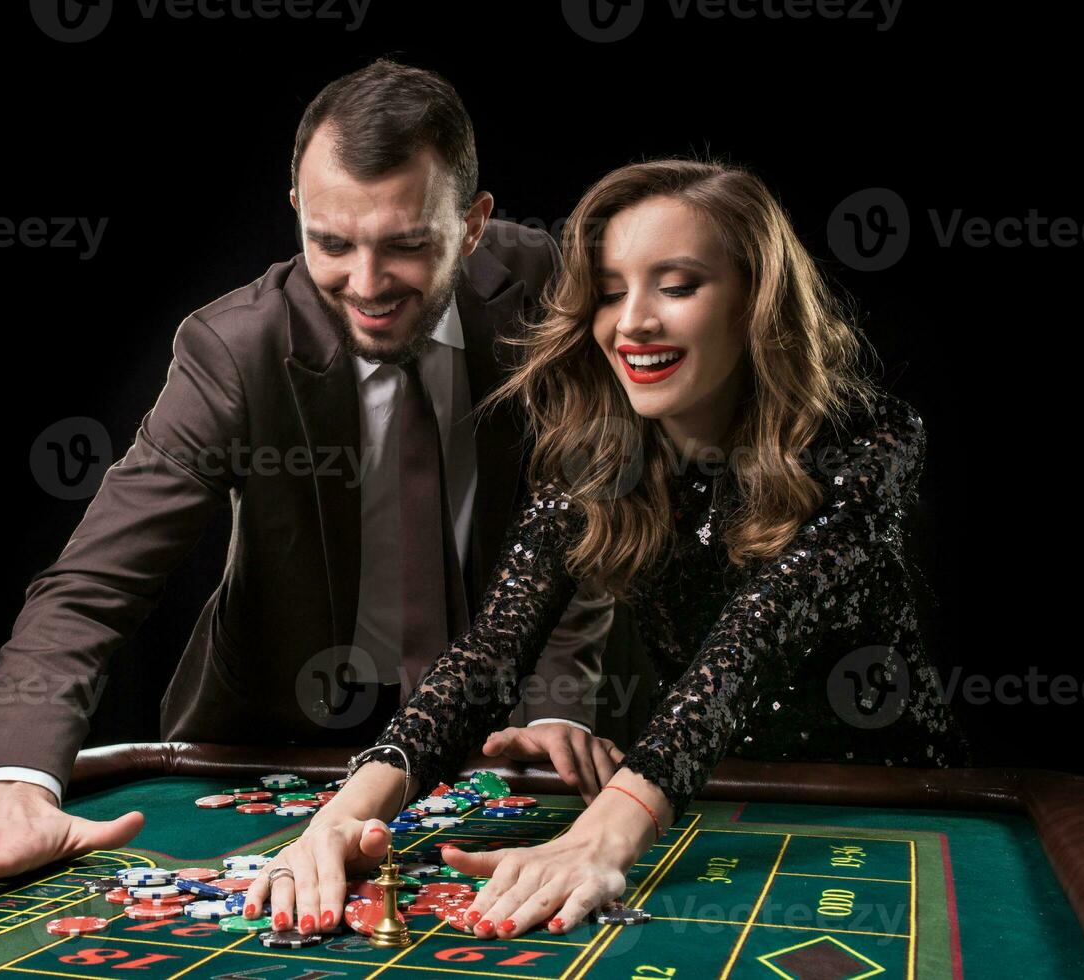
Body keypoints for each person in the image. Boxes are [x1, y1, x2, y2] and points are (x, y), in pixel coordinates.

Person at [0, 59, 626, 904]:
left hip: (495, 741)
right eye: (332, 243)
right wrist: (16, 790)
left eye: (408, 244)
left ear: (476, 224)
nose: (369, 283)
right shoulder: (233, 350)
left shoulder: (553, 296)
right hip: (266, 737)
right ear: (298, 214)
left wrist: (558, 704)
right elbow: (87, 589)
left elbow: (588, 517)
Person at [242, 157, 973, 940]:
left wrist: (603, 834)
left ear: (754, 303)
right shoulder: (597, 461)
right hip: (701, 801)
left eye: (678, 285)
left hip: (890, 812)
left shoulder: (871, 443)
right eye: (612, 291)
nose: (632, 324)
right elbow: (488, 658)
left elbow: (748, 644)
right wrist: (345, 813)